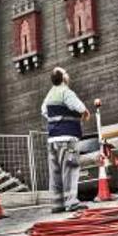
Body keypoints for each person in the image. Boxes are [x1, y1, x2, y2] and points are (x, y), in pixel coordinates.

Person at [41, 66, 91, 213]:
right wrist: (86, 112)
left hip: (52, 139)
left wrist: (56, 119)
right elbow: (78, 107)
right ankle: (71, 202)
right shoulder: (65, 92)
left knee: (55, 172)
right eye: (66, 74)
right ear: (63, 78)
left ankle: (57, 204)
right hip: (67, 138)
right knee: (70, 169)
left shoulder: (49, 95)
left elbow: (44, 110)